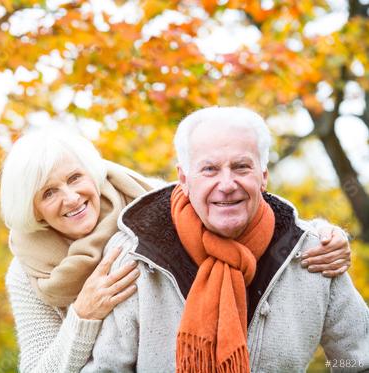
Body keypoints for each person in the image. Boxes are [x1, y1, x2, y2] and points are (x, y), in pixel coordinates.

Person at [0, 127, 353, 373]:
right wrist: (82, 315)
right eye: (49, 193)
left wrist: (320, 233)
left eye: (75, 178)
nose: (71, 198)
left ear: (93, 173)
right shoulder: (29, 270)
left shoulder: (151, 205)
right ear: (31, 209)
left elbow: (230, 204)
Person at [81, 107, 369, 372]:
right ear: (184, 178)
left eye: (242, 167)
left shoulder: (312, 253)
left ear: (263, 176)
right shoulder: (135, 257)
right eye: (210, 169)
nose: (227, 185)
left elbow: (358, 359)